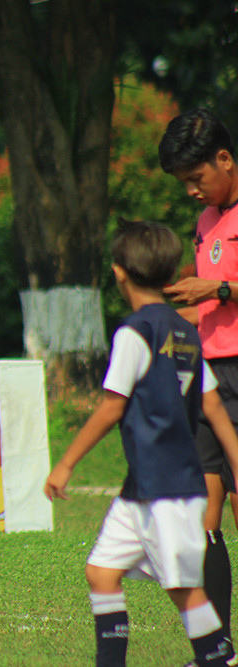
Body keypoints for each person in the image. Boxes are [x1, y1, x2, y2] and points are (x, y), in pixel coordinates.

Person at [46, 220, 238, 666]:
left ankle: (216, 657)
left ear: (119, 273)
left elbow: (113, 406)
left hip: (167, 488)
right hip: (142, 488)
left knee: (184, 591)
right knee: (101, 572)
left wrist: (66, 463)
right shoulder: (187, 330)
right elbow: (212, 406)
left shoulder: (134, 333)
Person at [161, 108, 238, 641]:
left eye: (196, 178)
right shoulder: (206, 222)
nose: (192, 190)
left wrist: (216, 288)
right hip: (210, 378)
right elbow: (211, 310)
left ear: (225, 159)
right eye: (184, 183)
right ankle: (217, 648)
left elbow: (221, 293)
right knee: (202, 518)